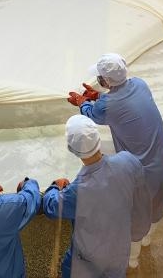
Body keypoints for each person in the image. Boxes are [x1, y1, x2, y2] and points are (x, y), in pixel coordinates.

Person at [71, 52, 163, 264]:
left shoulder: (109, 106)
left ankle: (132, 259)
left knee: (134, 217)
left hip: (141, 174)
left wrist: (83, 102)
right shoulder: (140, 84)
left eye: (100, 77)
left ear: (106, 80)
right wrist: (99, 96)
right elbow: (119, 103)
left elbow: (92, 114)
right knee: (155, 209)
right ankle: (146, 239)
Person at [43, 115, 150, 277]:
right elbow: (142, 202)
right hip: (118, 253)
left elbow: (52, 207)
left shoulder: (77, 191)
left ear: (71, 148)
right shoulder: (128, 161)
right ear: (98, 139)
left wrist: (54, 187)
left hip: (86, 262)